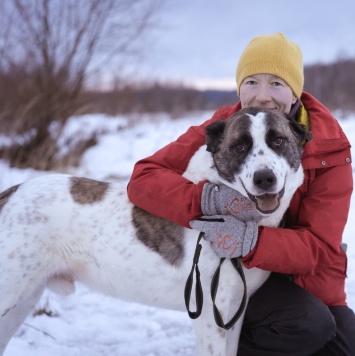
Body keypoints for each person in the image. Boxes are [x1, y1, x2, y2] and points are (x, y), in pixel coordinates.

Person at [127, 32, 355, 355]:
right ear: (238, 88)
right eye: (251, 82)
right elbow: (143, 178)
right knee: (307, 325)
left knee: (342, 343)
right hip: (242, 275)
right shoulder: (225, 127)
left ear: (295, 91)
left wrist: (251, 240)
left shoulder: (330, 148)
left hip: (308, 279)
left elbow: (319, 247)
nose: (262, 96)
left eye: (276, 83)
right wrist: (203, 200)